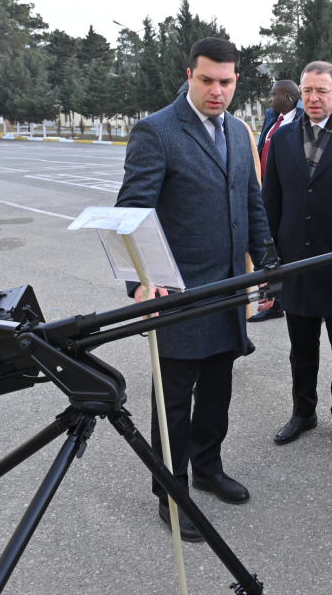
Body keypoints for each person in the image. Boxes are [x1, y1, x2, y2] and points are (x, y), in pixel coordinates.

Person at [116, 37, 273, 543]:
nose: (217, 90)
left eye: (226, 82)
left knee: (217, 394)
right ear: (189, 75)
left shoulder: (238, 129)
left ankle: (207, 467)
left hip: (228, 290)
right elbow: (131, 214)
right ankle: (170, 490)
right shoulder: (156, 131)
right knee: (174, 403)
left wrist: (268, 263)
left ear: (236, 82)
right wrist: (140, 283)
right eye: (207, 79)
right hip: (177, 297)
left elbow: (251, 203)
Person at [262, 61, 332, 451]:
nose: (312, 98)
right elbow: (270, 202)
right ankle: (302, 412)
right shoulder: (283, 138)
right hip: (296, 264)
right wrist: (269, 255)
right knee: (301, 349)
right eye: (307, 90)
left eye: (321, 91)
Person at [250, 79, 303, 323]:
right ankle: (270, 300)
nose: (270, 100)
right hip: (266, 190)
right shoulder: (273, 120)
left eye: (273, 96)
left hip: (288, 194)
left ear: (288, 97)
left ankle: (278, 300)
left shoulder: (302, 121)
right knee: (266, 244)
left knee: (282, 247)